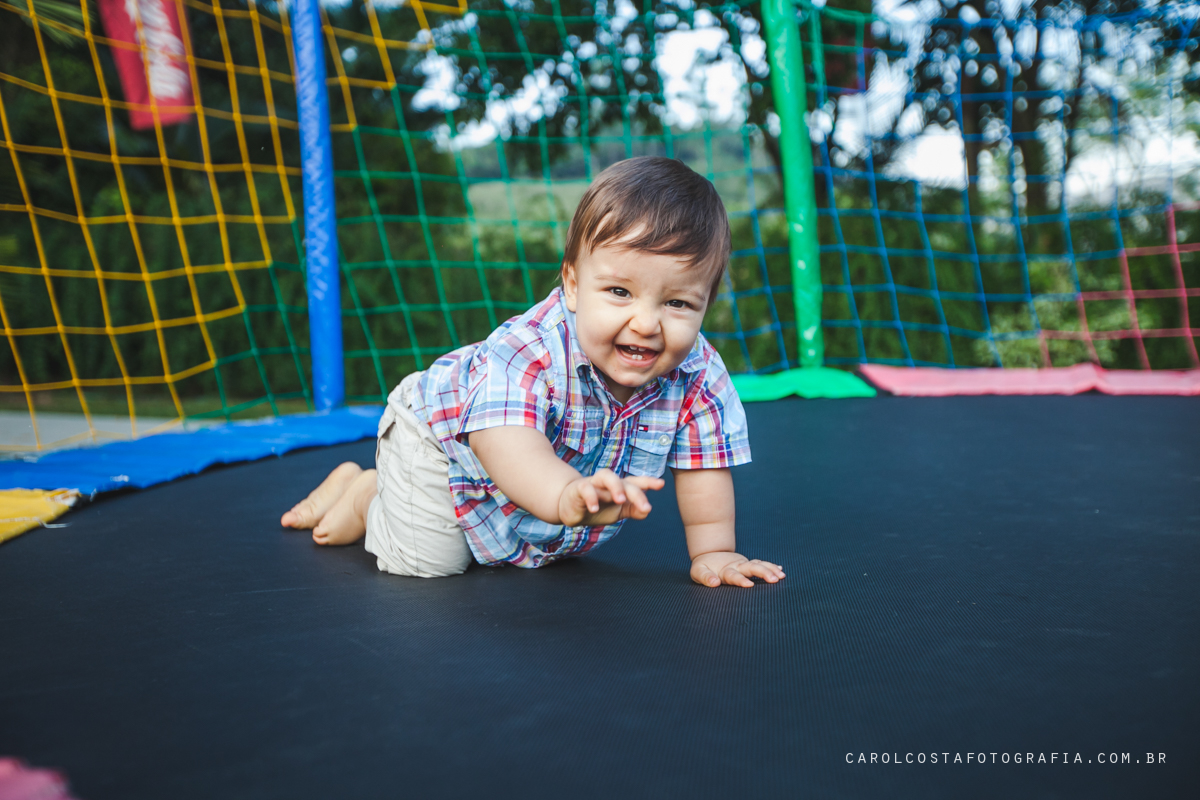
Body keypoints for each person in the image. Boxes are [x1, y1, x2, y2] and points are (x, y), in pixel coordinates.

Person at [281, 156, 785, 589]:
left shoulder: (699, 373)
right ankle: (366, 492)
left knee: (509, 551)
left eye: (677, 302)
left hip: (526, 500)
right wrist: (564, 493)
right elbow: (509, 446)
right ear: (571, 283)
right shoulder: (529, 351)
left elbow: (705, 469)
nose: (647, 323)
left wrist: (715, 552)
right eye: (619, 292)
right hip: (439, 443)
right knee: (429, 564)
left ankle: (388, 494)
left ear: (706, 305)